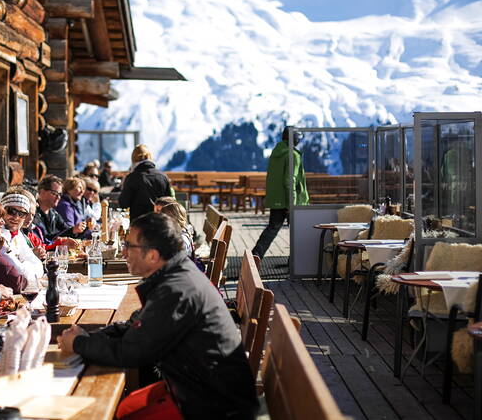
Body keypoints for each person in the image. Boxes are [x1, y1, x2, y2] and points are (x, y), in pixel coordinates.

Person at [58, 213, 258, 419]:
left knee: (113, 412)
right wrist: (87, 337)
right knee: (126, 407)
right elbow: (137, 326)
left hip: (213, 407)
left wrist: (78, 344)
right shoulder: (176, 275)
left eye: (129, 246)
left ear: (153, 255)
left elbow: (132, 353)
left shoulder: (176, 290)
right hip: (200, 390)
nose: (124, 252)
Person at [251, 127, 309, 259]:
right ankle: (297, 263)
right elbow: (290, 181)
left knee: (271, 229)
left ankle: (256, 255)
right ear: (295, 139)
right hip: (290, 201)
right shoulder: (293, 155)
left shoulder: (277, 152)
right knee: (298, 232)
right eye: (298, 138)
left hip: (277, 199)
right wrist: (291, 204)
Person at [0, 193, 46, 286]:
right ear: (2, 211)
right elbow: (20, 272)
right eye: (11, 211)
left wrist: (24, 264)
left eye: (22, 214)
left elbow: (39, 268)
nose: (16, 217)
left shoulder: (18, 235)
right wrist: (27, 264)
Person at [118, 144, 173, 220]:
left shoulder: (132, 178)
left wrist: (123, 185)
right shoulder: (163, 176)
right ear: (150, 157)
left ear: (133, 159)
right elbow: (169, 203)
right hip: (160, 223)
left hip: (139, 224)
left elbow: (123, 203)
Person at [33, 175, 82, 248]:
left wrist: (83, 228)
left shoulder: (53, 213)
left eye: (59, 194)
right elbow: (45, 239)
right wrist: (72, 231)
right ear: (42, 191)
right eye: (54, 193)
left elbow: (66, 230)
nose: (58, 197)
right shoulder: (33, 213)